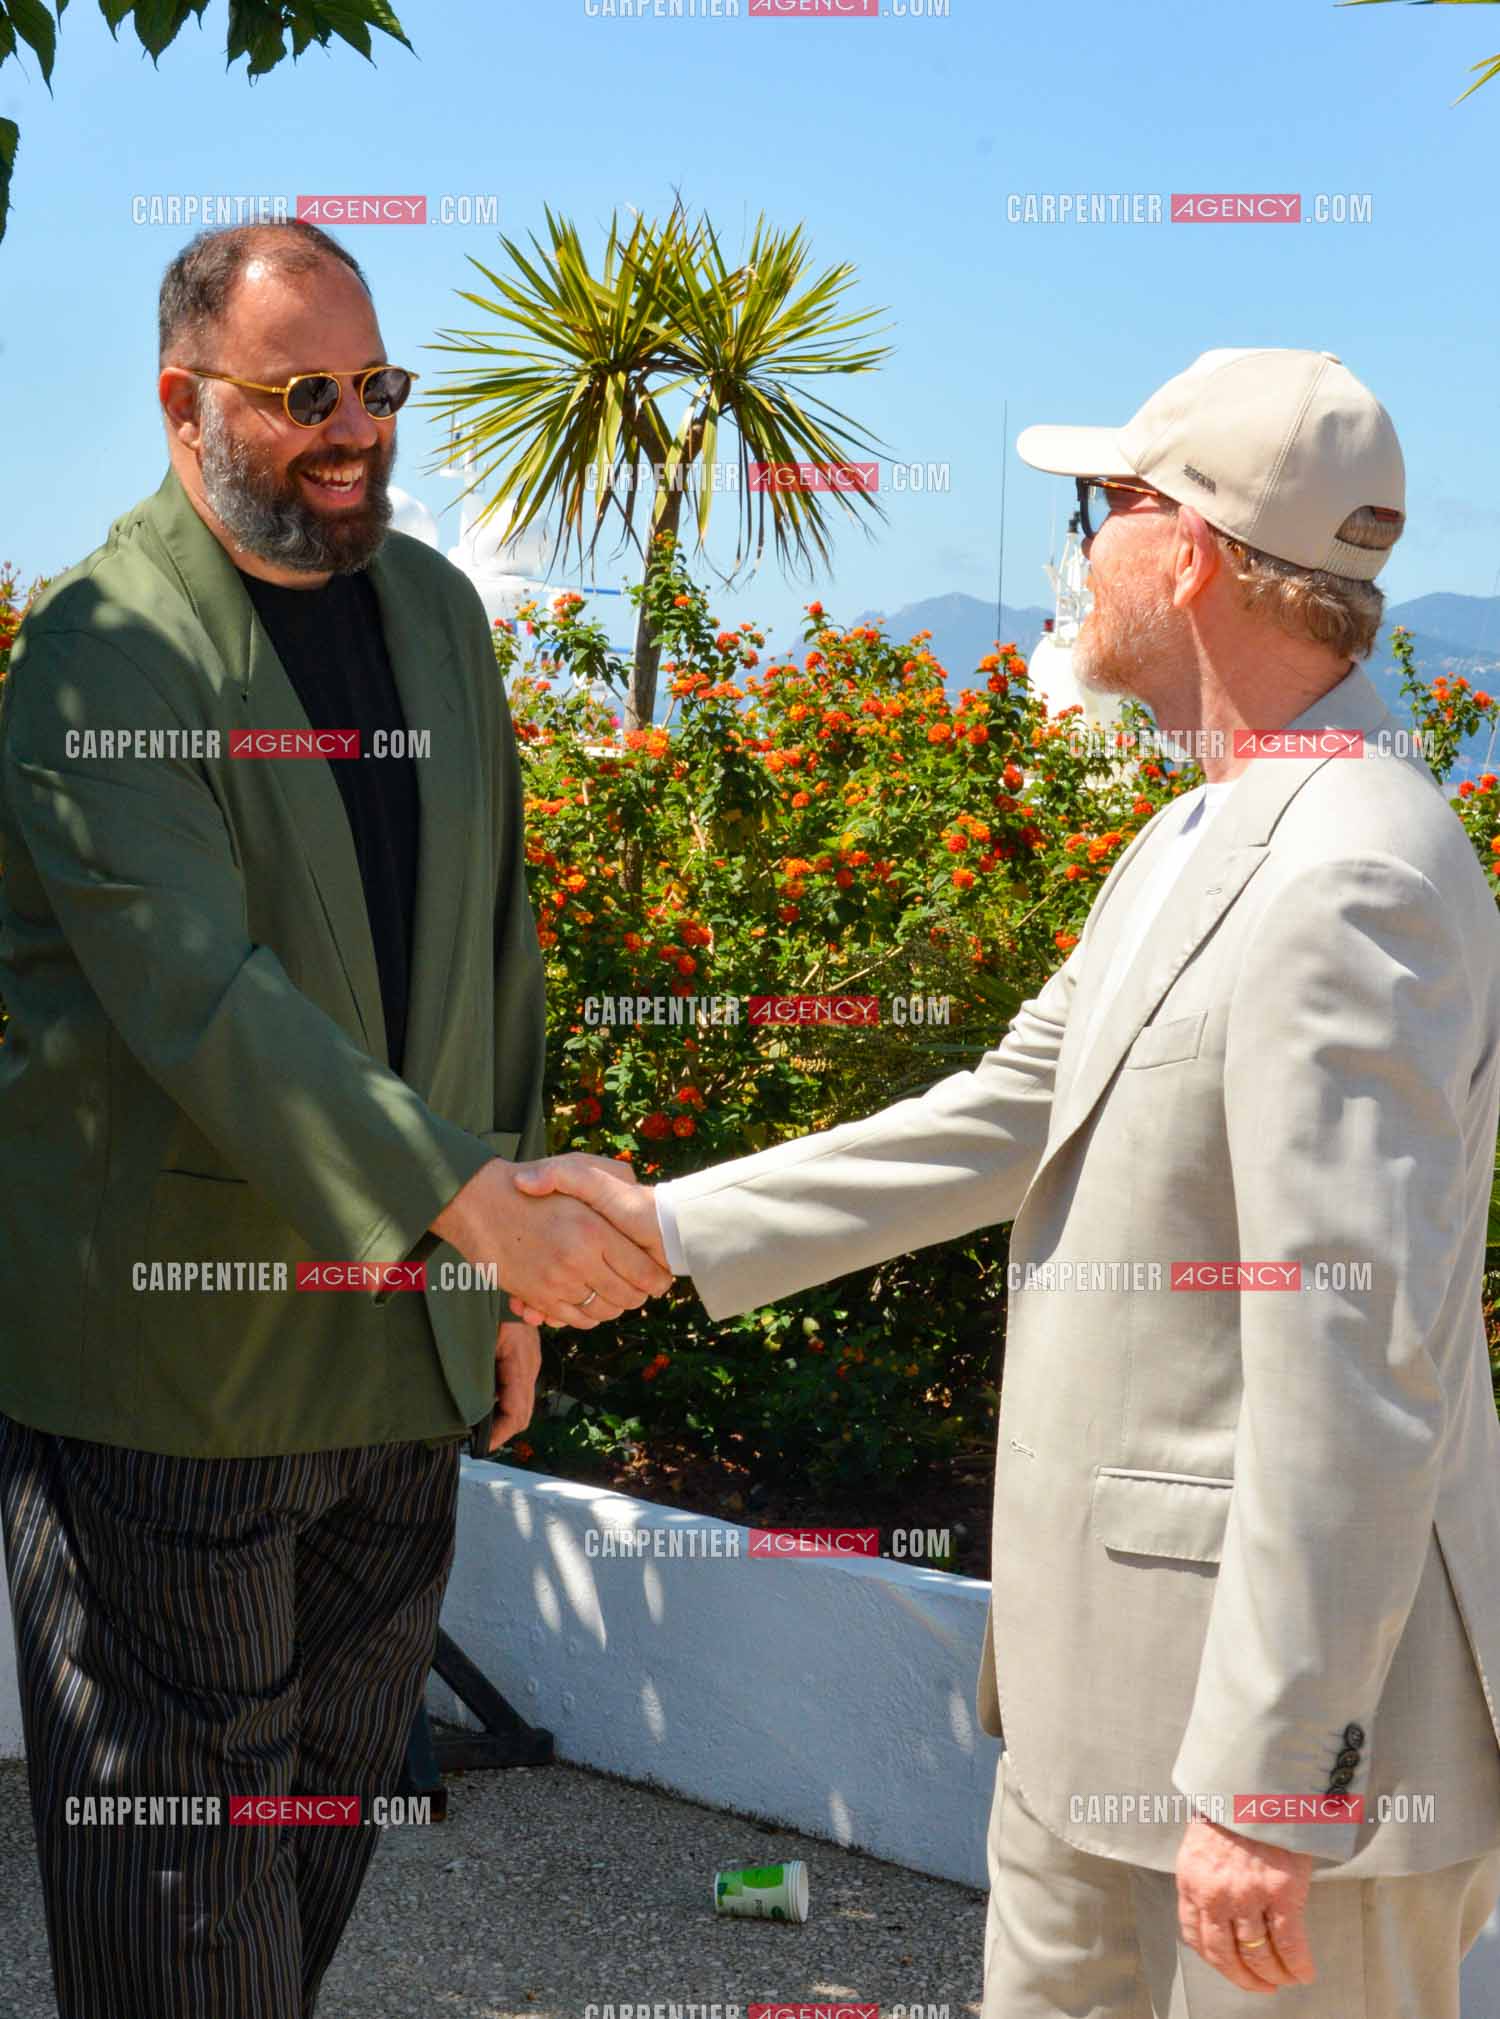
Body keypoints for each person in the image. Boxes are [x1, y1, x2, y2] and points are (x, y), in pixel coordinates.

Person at [518, 350, 1500, 2018]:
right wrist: (667, 1231)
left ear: (1185, 552)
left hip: (1259, 1785)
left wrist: (1271, 1783)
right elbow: (1007, 1111)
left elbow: (1358, 1361)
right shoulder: (1197, 834)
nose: (1076, 551)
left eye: (1096, 508)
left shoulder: (1353, 877)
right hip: (1093, 1721)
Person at [0, 217, 672, 2019]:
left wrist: (508, 1282)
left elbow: (499, 954)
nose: (355, 427)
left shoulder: (440, 614)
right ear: (181, 401)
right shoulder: (98, 659)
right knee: (176, 1892)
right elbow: (202, 1000)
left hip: (408, 1364)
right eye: (304, 394)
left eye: (376, 385)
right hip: (182, 1381)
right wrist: (473, 1204)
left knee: (307, 1853)